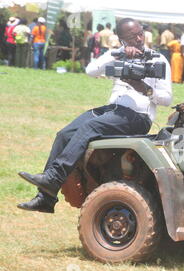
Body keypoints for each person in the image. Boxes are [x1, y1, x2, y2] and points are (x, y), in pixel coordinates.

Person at [17, 18, 172, 214]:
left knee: (92, 127)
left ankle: (52, 177)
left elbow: (167, 98)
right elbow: (91, 70)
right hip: (112, 109)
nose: (140, 38)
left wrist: (144, 88)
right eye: (133, 37)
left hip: (138, 117)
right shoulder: (117, 53)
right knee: (64, 134)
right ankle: (45, 198)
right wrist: (120, 53)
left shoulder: (157, 59)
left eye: (140, 33)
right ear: (122, 38)